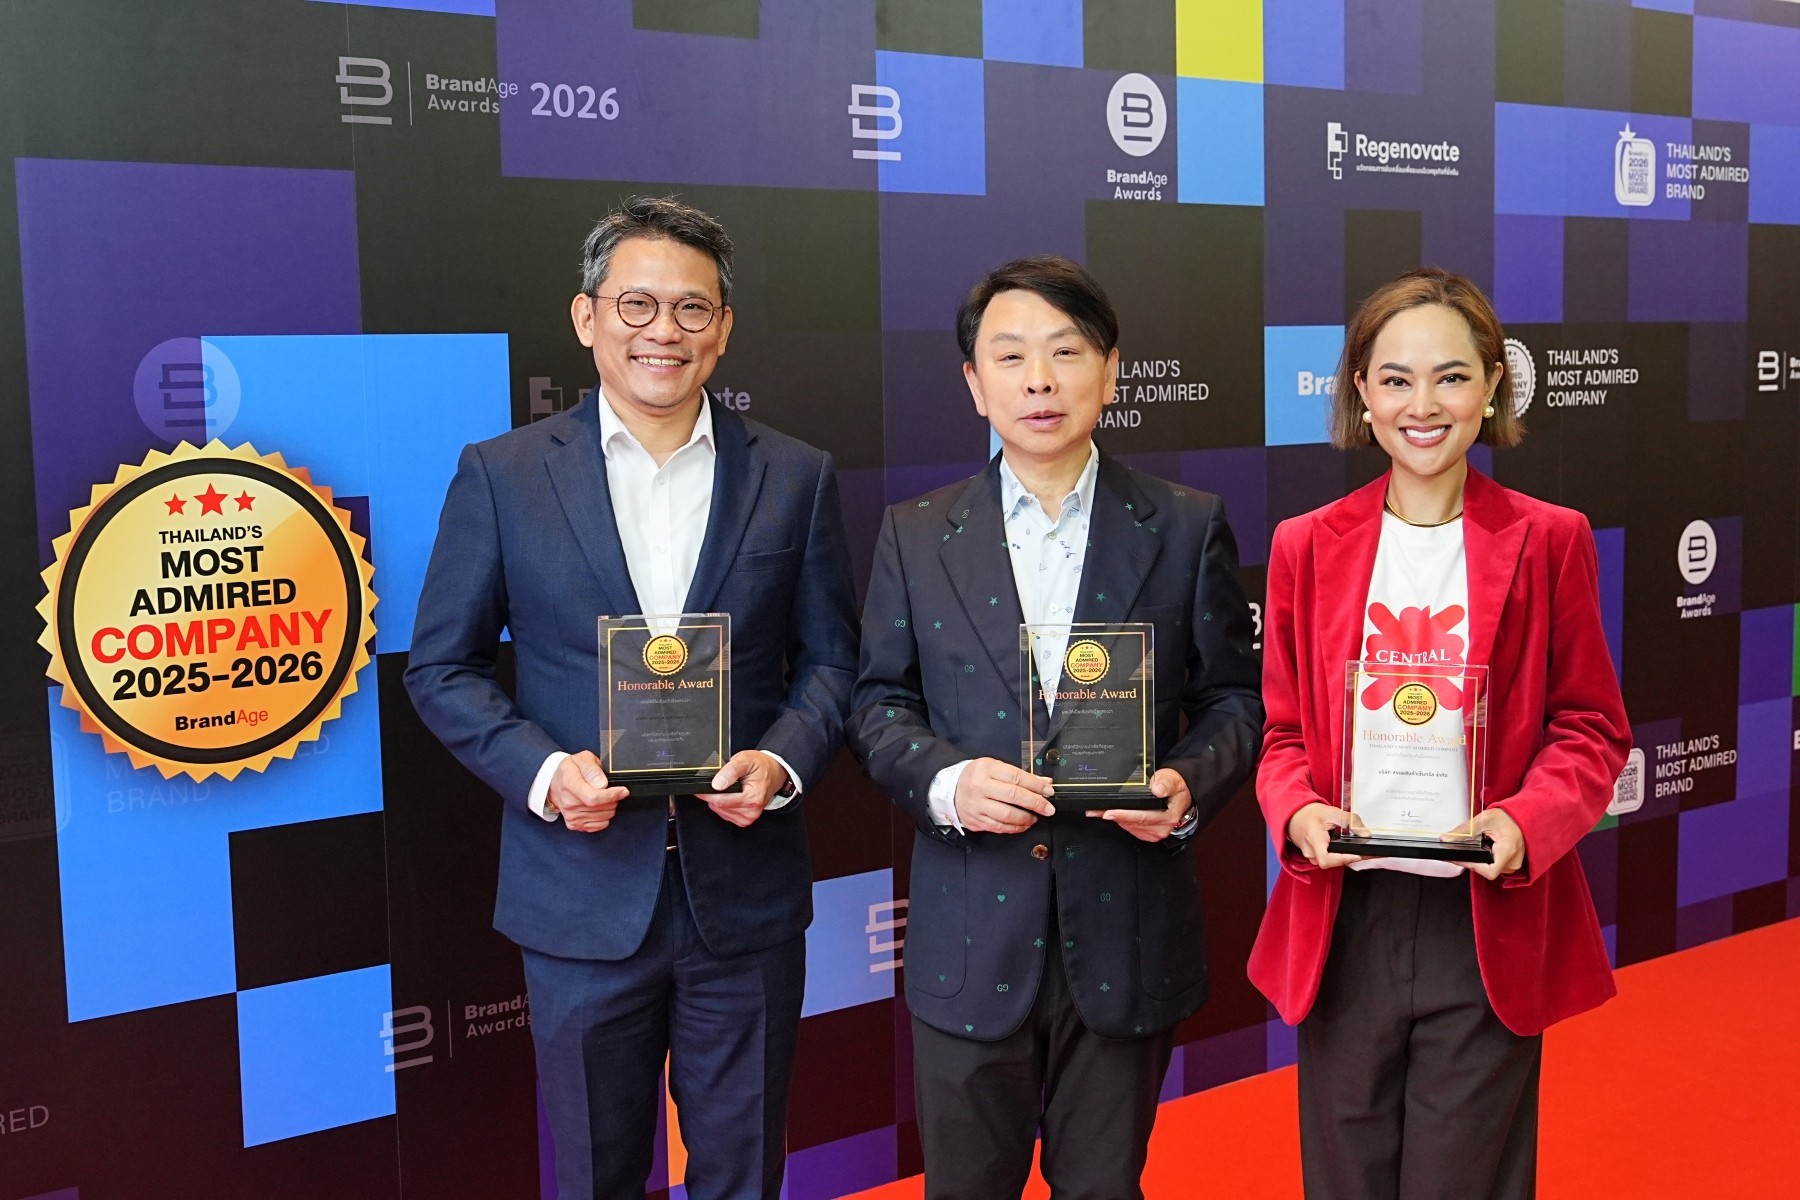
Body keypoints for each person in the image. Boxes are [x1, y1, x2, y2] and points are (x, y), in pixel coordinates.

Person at [404, 196, 858, 1200]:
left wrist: (781, 762)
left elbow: (834, 661)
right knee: (594, 1178)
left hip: (743, 896)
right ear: (586, 317)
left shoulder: (796, 476)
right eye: (636, 305)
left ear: (723, 328)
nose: (664, 331)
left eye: (692, 309)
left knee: (743, 1175)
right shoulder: (504, 476)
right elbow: (441, 666)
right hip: (579, 896)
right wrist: (541, 773)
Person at [848, 256, 1263, 1200]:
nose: (1039, 380)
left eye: (1066, 352)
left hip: (1126, 929)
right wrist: (949, 783)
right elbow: (876, 705)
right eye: (1011, 357)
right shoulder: (916, 533)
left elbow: (1235, 702)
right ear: (974, 383)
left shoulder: (1185, 526)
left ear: (1110, 372)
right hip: (969, 937)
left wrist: (1187, 785)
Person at [1248, 267, 1631, 1198]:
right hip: (1346, 916)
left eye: (1452, 377)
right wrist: (1296, 811)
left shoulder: (1551, 539)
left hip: (1484, 918)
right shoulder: (1305, 544)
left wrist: (1525, 823)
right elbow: (1282, 735)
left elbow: (1591, 728)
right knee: (1345, 1180)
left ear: (1493, 384)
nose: (1423, 406)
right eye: (1396, 380)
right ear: (1361, 394)